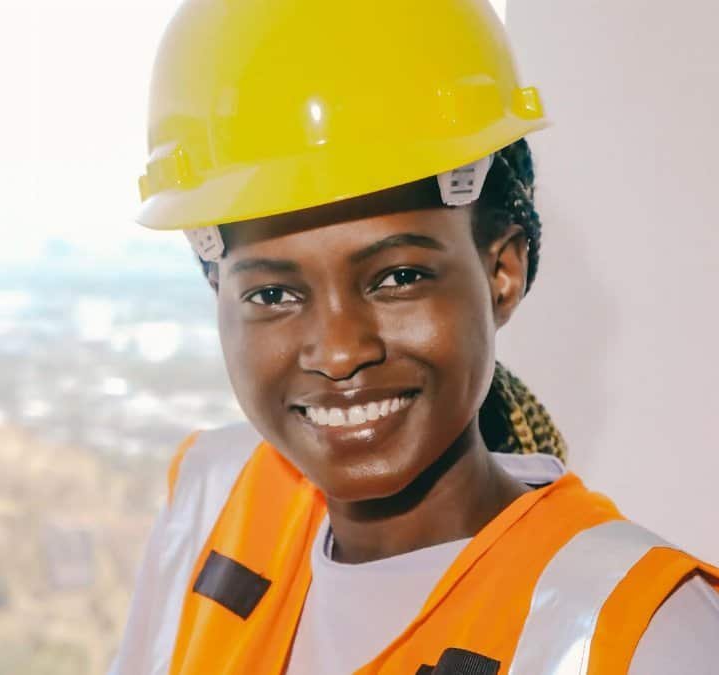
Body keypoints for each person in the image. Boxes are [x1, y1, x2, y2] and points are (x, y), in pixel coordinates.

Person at [109, 0, 719, 673]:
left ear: (501, 271)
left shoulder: (636, 634)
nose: (339, 351)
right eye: (273, 294)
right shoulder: (214, 500)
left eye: (398, 276)